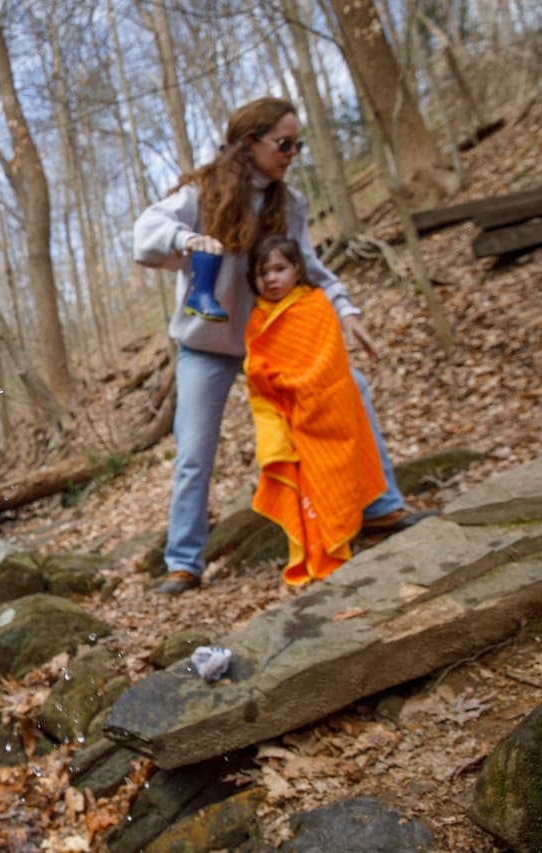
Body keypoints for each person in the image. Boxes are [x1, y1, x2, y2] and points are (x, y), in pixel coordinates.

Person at [133, 96, 421, 596]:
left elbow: (310, 267)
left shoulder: (292, 203)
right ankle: (183, 563)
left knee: (352, 387)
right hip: (207, 346)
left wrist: (346, 311)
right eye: (284, 143)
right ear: (250, 144)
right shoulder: (200, 192)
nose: (292, 153)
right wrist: (187, 240)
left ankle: (378, 508)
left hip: (276, 339)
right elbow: (145, 237)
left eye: (298, 144)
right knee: (195, 451)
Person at [244, 235, 386, 585]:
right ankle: (319, 548)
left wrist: (297, 385)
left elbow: (328, 361)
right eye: (264, 273)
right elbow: (256, 367)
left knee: (335, 476)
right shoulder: (258, 318)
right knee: (305, 483)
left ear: (297, 269)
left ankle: (344, 537)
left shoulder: (316, 304)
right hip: (288, 417)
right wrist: (272, 379)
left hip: (326, 413)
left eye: (280, 269)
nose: (272, 279)